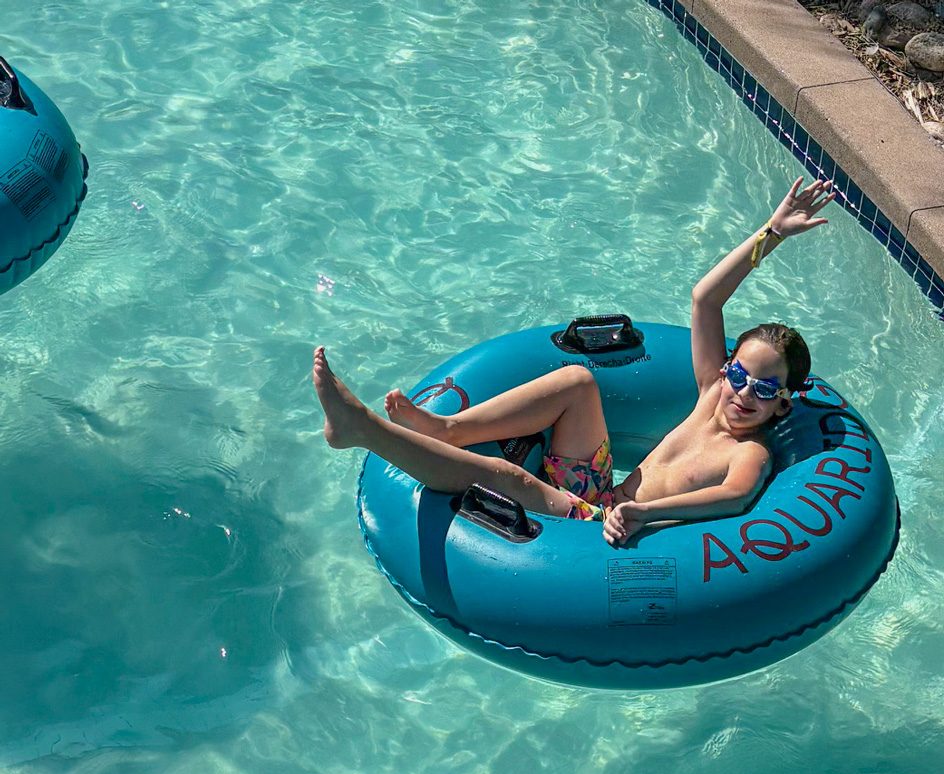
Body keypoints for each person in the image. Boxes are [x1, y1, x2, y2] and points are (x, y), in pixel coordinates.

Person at [313, 177, 834, 546]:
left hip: (603, 526)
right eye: (739, 375)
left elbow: (732, 500)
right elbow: (705, 300)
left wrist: (642, 513)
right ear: (725, 369)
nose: (743, 395)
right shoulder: (709, 395)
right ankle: (447, 428)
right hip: (602, 492)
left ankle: (361, 430)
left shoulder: (752, 453)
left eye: (764, 390)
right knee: (578, 380)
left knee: (508, 476)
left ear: (783, 405)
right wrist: (772, 233)